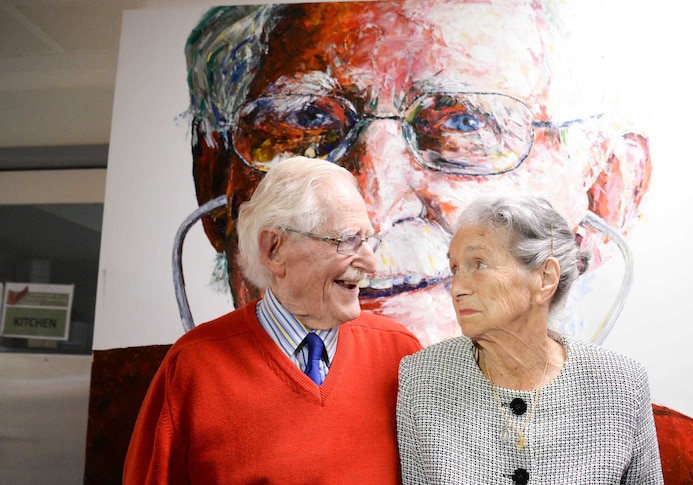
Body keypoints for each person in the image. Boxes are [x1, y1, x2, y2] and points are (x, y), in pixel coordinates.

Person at [183, 0, 652, 346]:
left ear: (607, 192)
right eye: (307, 120)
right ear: (216, 186)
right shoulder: (171, 402)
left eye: (464, 123)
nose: (371, 205)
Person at [124, 157, 423, 483]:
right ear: (274, 249)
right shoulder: (192, 366)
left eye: (368, 240)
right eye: (347, 240)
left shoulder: (399, 353)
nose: (371, 263)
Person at [396, 193, 663, 484]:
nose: (457, 287)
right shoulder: (422, 381)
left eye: (479, 264)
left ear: (545, 278)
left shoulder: (621, 385)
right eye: (455, 269)